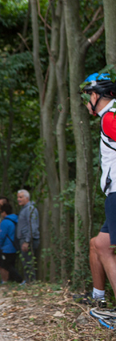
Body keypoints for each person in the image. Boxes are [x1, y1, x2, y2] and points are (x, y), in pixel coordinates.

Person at [79, 72, 116, 323]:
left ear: (95, 96)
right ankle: (99, 297)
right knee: (101, 245)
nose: (86, 103)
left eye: (87, 97)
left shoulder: (109, 118)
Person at [17, 189, 40, 283]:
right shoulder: (24, 209)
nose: (18, 199)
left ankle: (31, 282)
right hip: (24, 239)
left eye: (20, 197)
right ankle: (28, 280)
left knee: (28, 262)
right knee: (25, 262)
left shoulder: (30, 209)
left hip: (29, 240)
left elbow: (33, 226)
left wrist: (27, 241)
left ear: (27, 198)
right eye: (18, 197)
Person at [0, 203, 23, 283]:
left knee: (6, 265)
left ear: (4, 212)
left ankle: (19, 280)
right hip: (15, 245)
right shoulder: (16, 219)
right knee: (11, 264)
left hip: (7, 247)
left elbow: (2, 235)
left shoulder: (5, 222)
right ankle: (12, 280)